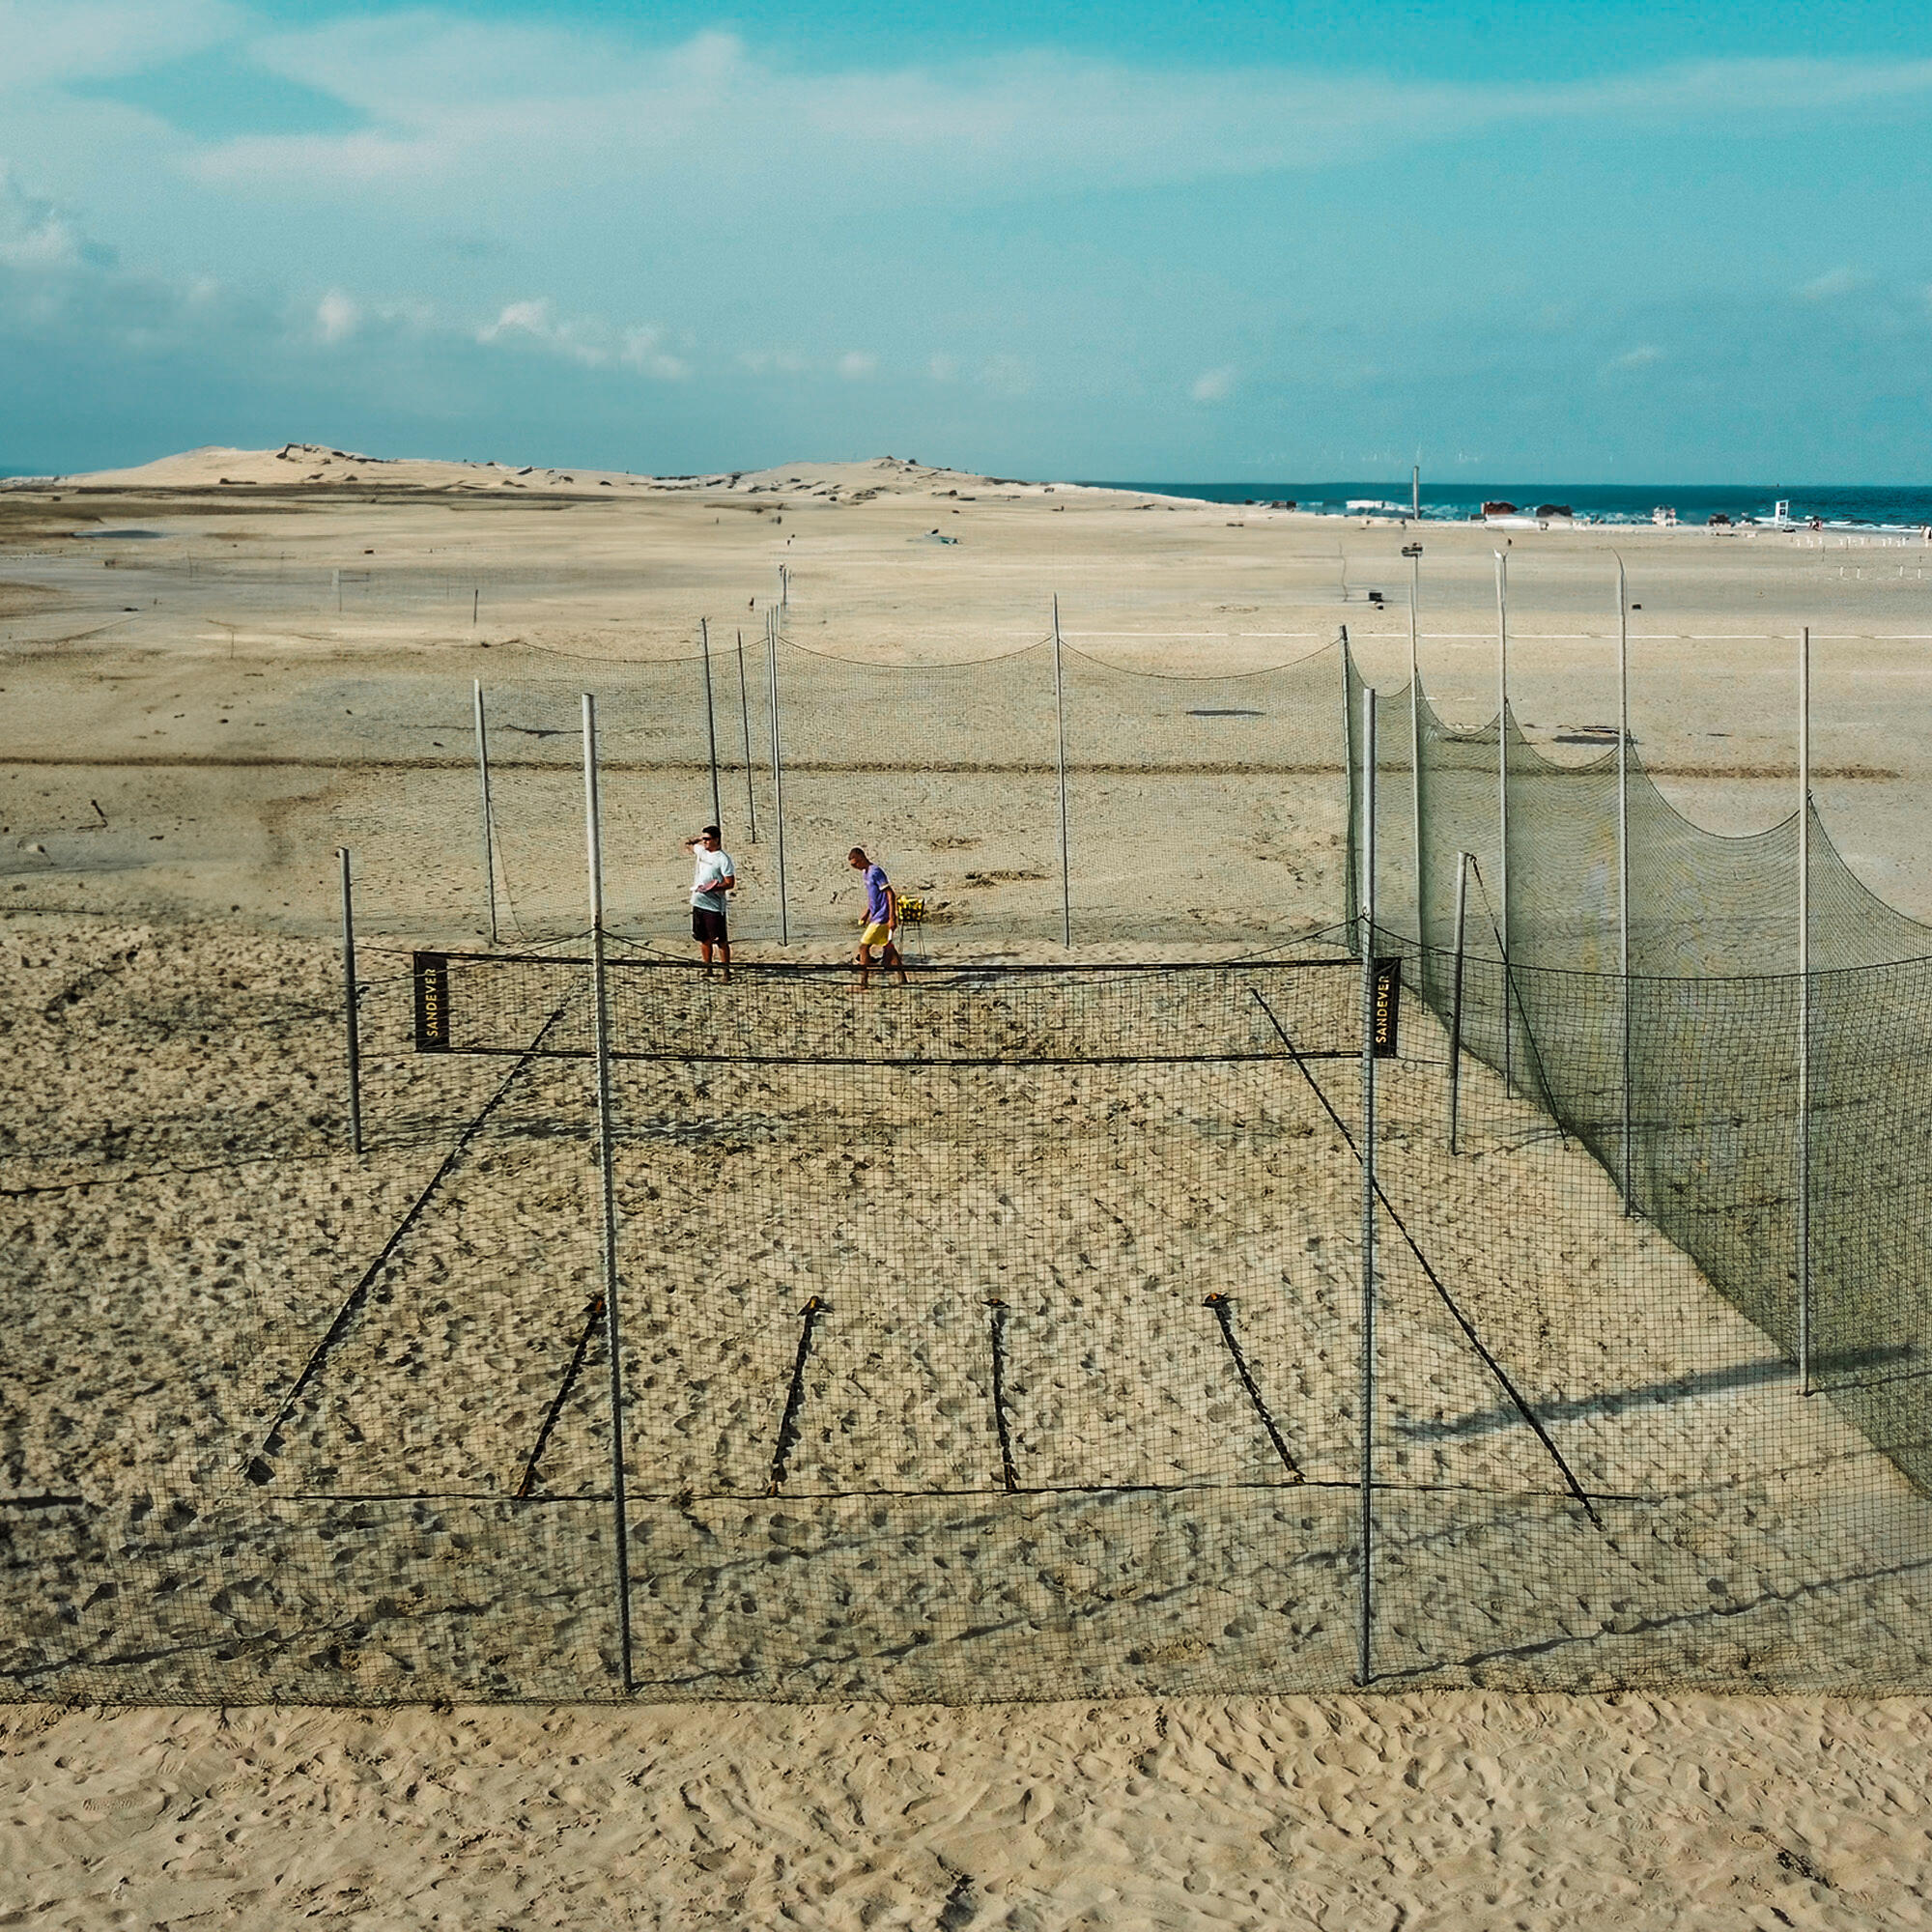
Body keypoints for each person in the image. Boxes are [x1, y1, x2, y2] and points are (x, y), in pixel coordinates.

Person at [848, 846, 907, 988]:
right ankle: (903, 979)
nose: (855, 867)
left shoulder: (876, 871)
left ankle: (864, 982)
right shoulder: (865, 873)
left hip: (883, 916)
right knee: (889, 949)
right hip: (876, 915)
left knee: (863, 947)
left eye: (855, 863)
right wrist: (867, 912)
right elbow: (873, 896)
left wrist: (892, 917)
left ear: (862, 857)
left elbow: (890, 894)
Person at [683, 824, 734, 980]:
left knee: (720, 940)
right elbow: (687, 844)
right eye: (703, 839)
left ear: (716, 840)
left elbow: (730, 883)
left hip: (714, 906)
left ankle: (726, 971)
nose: (705, 842)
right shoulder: (701, 851)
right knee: (703, 939)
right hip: (698, 902)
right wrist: (700, 838)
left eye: (708, 839)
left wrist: (713, 887)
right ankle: (708, 967)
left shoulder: (723, 859)